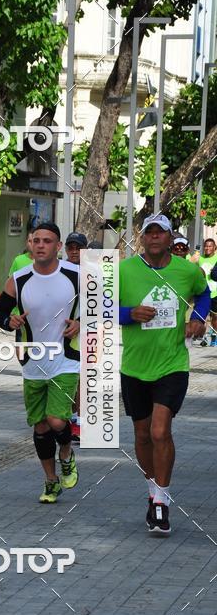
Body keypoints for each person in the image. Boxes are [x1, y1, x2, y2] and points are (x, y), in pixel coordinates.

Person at [119, 214, 209, 536]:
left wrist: (198, 317)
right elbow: (100, 307)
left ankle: (162, 501)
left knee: (160, 431)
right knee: (142, 435)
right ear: (142, 238)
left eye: (161, 232)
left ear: (171, 238)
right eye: (149, 232)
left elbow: (205, 293)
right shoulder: (124, 270)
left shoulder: (187, 271)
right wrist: (128, 314)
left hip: (172, 364)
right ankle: (153, 490)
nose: (155, 237)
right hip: (134, 366)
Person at [0, 222, 80, 504]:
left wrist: (81, 322)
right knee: (40, 425)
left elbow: (103, 307)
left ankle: (66, 451)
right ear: (30, 244)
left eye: (47, 241)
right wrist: (10, 321)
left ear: (58, 246)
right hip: (32, 361)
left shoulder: (77, 275)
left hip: (66, 360)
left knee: (56, 420)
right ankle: (50, 481)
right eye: (36, 240)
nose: (40, 245)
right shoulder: (18, 279)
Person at [63, 232, 88, 442]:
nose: (74, 251)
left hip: (83, 333)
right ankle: (69, 419)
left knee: (80, 380)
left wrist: (80, 321)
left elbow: (100, 304)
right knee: (65, 379)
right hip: (59, 333)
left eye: (78, 247)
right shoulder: (59, 271)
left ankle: (79, 422)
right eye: (71, 247)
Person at [197, 238, 217, 345]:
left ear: (215, 247)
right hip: (203, 292)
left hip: (215, 292)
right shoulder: (199, 259)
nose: (207, 248)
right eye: (206, 246)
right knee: (202, 315)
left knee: (215, 317)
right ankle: (204, 337)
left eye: (210, 246)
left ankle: (214, 335)